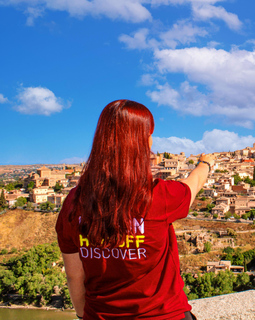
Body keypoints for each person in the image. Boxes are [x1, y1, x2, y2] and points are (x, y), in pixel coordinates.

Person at [56, 100, 214, 320]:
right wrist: (205, 164)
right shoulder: (159, 196)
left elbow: (74, 275)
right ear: (140, 142)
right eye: (149, 134)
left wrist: (86, 316)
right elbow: (192, 185)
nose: (152, 141)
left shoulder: (74, 201)